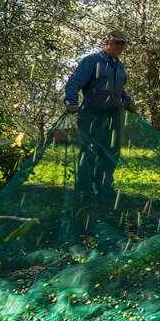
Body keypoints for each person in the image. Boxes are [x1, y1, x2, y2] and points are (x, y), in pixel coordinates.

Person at [64, 31, 137, 202]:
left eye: (123, 44)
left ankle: (104, 188)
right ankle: (84, 191)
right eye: (117, 42)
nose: (120, 46)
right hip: (92, 116)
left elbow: (120, 90)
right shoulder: (91, 61)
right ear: (107, 42)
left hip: (113, 117)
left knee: (110, 154)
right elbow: (74, 82)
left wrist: (128, 101)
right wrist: (71, 101)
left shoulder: (119, 66)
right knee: (88, 153)